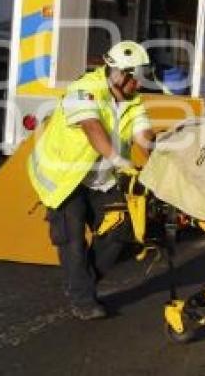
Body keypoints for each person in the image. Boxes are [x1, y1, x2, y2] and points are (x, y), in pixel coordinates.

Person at [27, 40, 156, 320]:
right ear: (121, 75)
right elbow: (92, 127)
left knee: (120, 230)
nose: (142, 85)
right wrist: (120, 160)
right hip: (63, 177)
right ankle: (83, 301)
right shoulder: (83, 91)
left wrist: (158, 162)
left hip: (100, 179)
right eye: (139, 78)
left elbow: (144, 136)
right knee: (72, 239)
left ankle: (81, 281)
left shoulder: (132, 101)